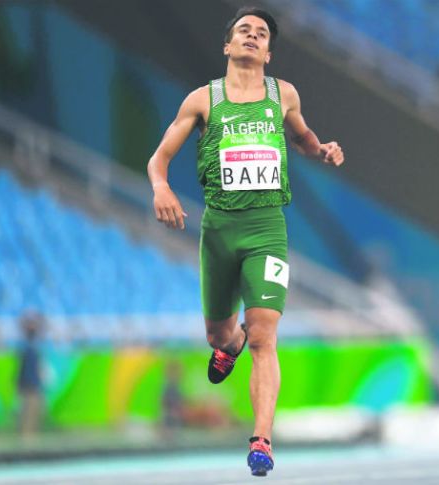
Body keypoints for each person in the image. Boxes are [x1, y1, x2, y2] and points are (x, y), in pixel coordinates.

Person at [146, 6, 344, 476]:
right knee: (221, 334)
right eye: (244, 31)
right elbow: (159, 159)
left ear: (269, 53)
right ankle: (226, 345)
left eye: (261, 34)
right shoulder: (203, 100)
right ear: (228, 46)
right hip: (219, 229)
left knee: (264, 334)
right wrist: (161, 187)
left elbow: (301, 138)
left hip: (266, 230)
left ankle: (261, 440)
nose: (252, 37)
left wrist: (320, 149)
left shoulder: (284, 95)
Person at [16, 311, 45, 442]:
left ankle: (30, 436)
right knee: (26, 412)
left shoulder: (35, 346)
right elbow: (23, 369)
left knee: (35, 411)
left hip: (34, 384)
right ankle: (25, 437)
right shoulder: (26, 347)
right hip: (28, 384)